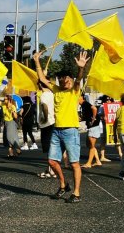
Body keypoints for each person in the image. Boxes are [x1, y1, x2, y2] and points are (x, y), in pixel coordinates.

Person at [33, 49, 90, 203]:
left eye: (67, 78)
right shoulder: (56, 89)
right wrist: (37, 61)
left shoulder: (74, 91)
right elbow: (42, 79)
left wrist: (81, 68)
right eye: (62, 78)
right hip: (57, 131)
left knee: (74, 163)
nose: (66, 80)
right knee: (52, 161)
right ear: (59, 80)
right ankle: (64, 185)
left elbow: (79, 79)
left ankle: (76, 193)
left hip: (71, 131)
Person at [36, 81, 57, 179]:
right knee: (51, 147)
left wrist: (45, 118)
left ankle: (51, 171)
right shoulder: (52, 94)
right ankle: (50, 169)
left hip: (47, 124)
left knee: (48, 148)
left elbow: (44, 106)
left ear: (40, 85)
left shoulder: (44, 95)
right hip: (52, 122)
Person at [81, 95, 102, 169]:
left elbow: (94, 108)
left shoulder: (85, 103)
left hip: (94, 126)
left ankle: (89, 163)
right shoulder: (83, 105)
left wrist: (93, 119)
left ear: (80, 97)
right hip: (91, 127)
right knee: (89, 144)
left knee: (91, 146)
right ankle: (97, 161)